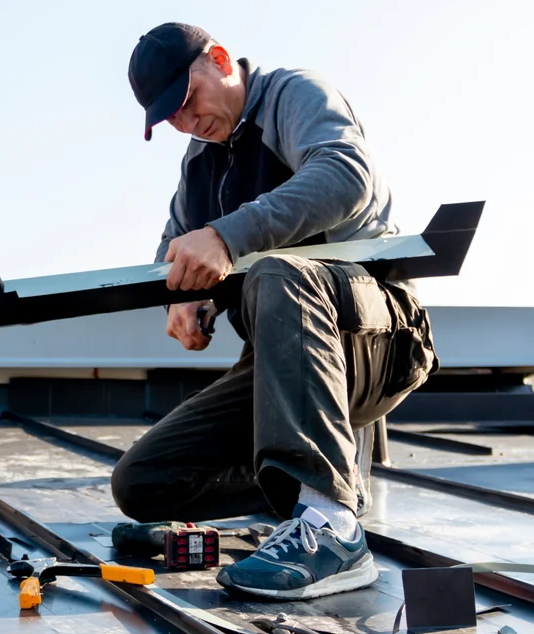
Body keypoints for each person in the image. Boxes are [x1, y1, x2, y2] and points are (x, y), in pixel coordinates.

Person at [112, 22, 439, 600]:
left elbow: (346, 175)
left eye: (187, 101)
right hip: (283, 369)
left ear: (218, 60)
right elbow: (176, 246)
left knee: (276, 269)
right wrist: (184, 295)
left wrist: (227, 237)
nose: (187, 123)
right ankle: (296, 515)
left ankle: (332, 527)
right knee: (142, 482)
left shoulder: (293, 94)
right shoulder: (201, 163)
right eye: (172, 119)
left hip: (374, 339)